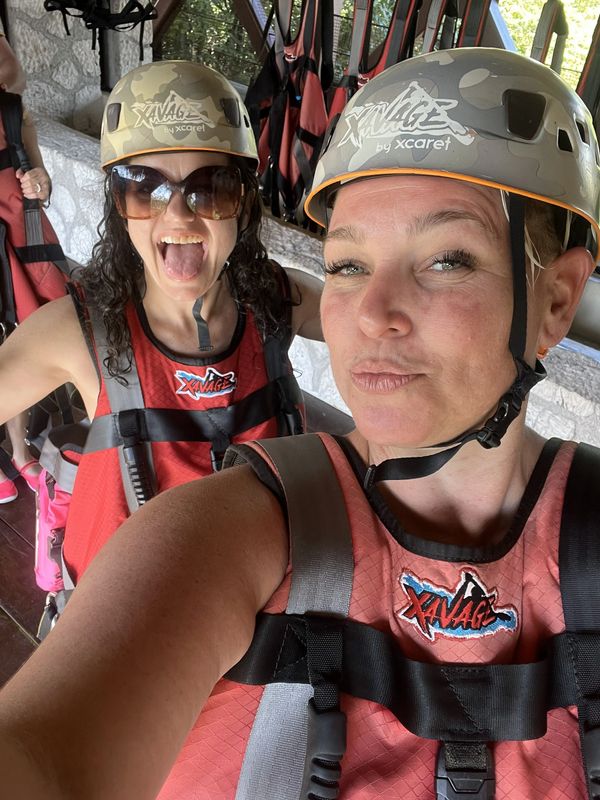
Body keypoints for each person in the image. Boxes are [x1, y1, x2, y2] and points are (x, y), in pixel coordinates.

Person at [0, 47, 599, 800]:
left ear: (555, 301)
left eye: (447, 258)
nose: (373, 314)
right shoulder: (88, 346)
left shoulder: (270, 304)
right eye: (349, 265)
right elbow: (46, 756)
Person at [0, 59, 322, 590]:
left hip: (260, 627)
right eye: (141, 187)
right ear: (118, 207)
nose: (178, 216)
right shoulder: (80, 333)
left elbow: (384, 325)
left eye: (211, 188)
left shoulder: (274, 299)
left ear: (242, 204)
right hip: (122, 640)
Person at [0, 31, 58, 502]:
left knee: (19, 339)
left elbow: (42, 181)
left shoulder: (14, 111)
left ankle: (20, 452)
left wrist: (39, 181)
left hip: (22, 236)